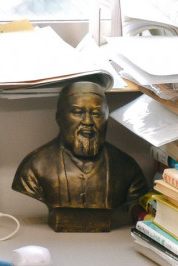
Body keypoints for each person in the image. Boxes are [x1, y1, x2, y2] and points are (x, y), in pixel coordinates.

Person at [12, 81, 147, 219]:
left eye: (96, 113)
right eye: (77, 112)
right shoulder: (34, 167)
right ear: (59, 117)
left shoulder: (127, 169)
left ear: (106, 118)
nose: (87, 121)